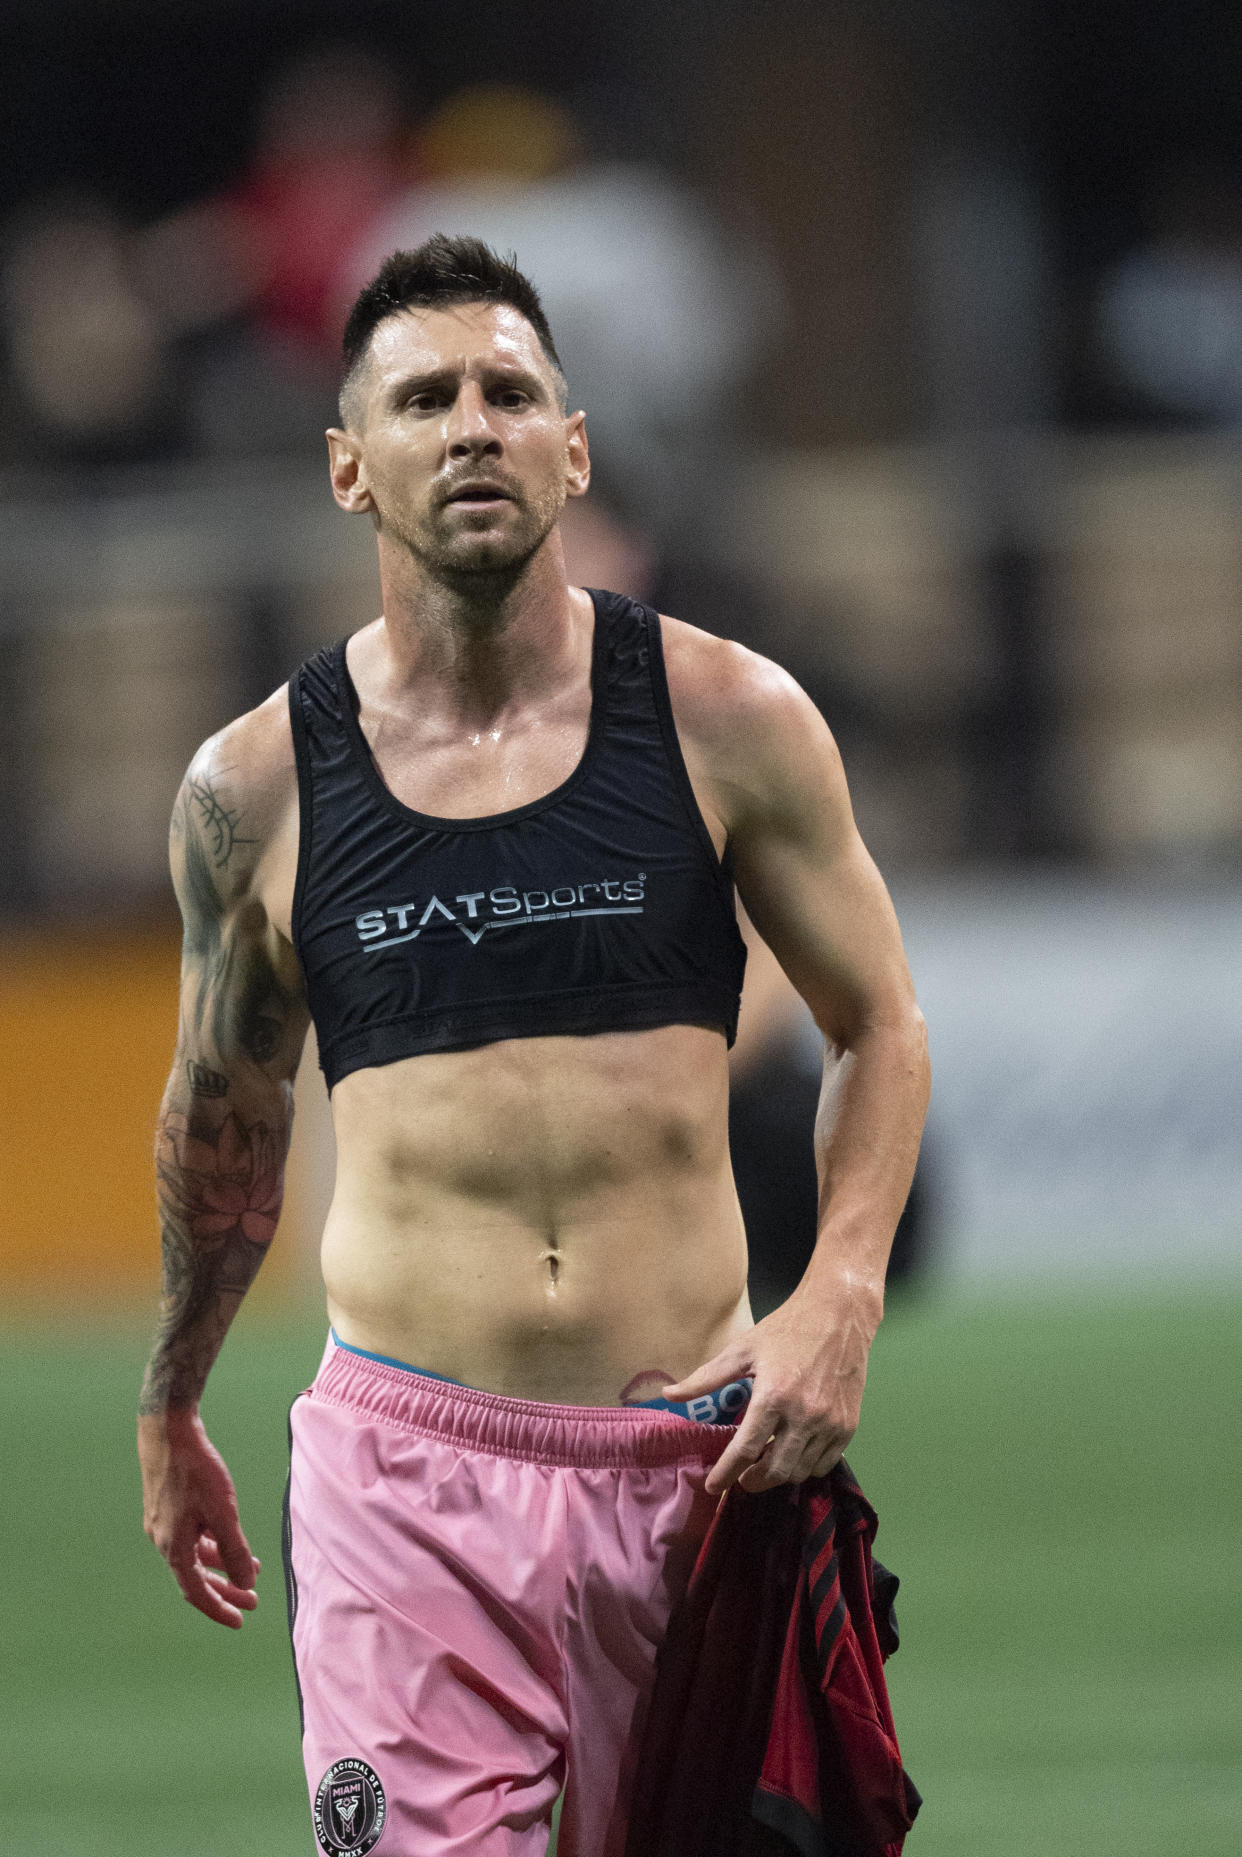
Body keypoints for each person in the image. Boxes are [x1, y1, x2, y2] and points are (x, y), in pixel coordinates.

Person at [136, 234, 929, 1857]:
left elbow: (879, 1026)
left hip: (696, 1473)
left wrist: (836, 1296)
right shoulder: (253, 788)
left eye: (512, 391)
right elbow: (223, 1123)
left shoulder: (728, 716)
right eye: (425, 398)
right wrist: (172, 1402)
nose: (474, 424)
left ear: (574, 448)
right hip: (403, 1482)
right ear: (352, 468)